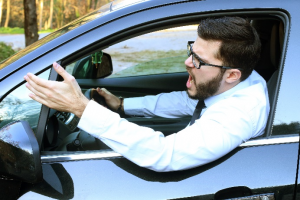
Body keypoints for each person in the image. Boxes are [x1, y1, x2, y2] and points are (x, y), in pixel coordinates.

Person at [24, 16, 270, 172]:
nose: (187, 62)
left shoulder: (238, 114)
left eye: (199, 60)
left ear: (231, 75)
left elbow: (165, 154)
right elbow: (187, 103)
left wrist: (81, 108)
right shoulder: (236, 81)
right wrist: (121, 105)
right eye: (191, 51)